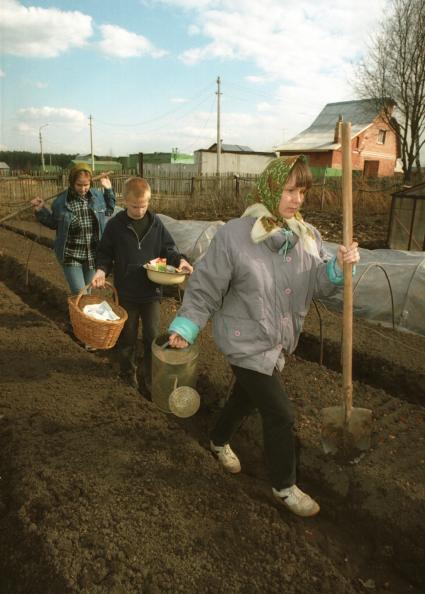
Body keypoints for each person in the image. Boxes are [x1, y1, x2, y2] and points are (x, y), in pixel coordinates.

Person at [168, 155, 360, 518]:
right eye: (289, 190)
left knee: (245, 399)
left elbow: (317, 283)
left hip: (275, 344)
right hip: (243, 340)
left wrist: (337, 268)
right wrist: (185, 327)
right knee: (280, 413)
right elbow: (206, 286)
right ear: (272, 188)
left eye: (302, 191)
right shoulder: (236, 235)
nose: (297, 199)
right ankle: (284, 487)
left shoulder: (306, 237)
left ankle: (217, 438)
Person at [91, 176, 193, 392]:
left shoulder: (155, 223)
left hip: (151, 293)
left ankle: (150, 375)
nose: (139, 210)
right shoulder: (116, 226)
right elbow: (105, 254)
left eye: (144, 205)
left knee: (152, 336)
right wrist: (101, 271)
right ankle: (128, 372)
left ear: (149, 201)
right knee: (127, 337)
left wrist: (182, 261)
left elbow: (169, 249)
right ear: (125, 201)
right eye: (135, 206)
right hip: (126, 292)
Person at [30, 162, 116, 295]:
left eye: (86, 185)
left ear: (90, 183)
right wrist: (40, 210)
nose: (83, 189)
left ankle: (79, 316)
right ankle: (79, 314)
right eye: (79, 185)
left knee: (87, 292)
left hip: (92, 255)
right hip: (71, 255)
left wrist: (108, 189)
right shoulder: (61, 202)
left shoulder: (97, 196)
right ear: (72, 182)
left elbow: (109, 210)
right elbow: (53, 223)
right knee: (80, 293)